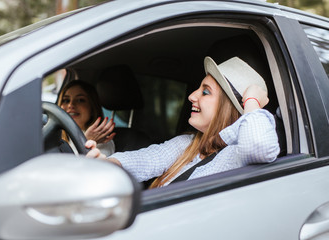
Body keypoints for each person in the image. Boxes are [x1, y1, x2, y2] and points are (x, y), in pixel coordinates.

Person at [85, 56, 280, 188]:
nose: (192, 96)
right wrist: (109, 163)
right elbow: (150, 158)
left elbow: (259, 147)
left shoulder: (237, 154)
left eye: (205, 92)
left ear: (227, 107)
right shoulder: (189, 143)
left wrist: (252, 102)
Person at [57, 80, 115, 156]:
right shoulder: (55, 135)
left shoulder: (102, 140)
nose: (70, 105)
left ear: (92, 107)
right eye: (66, 100)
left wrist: (86, 141)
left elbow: (76, 167)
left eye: (80, 100)